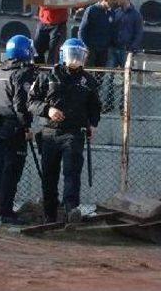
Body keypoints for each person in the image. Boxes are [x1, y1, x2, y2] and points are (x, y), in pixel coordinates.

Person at [28, 38, 102, 224]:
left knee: (72, 172)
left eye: (79, 56)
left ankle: (71, 210)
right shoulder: (47, 76)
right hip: (49, 133)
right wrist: (48, 110)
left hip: (74, 133)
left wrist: (92, 124)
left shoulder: (88, 81)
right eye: (72, 55)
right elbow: (31, 102)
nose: (75, 60)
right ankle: (50, 213)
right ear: (63, 55)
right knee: (49, 175)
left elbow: (95, 106)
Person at [0, 35, 37, 225]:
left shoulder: (2, 70)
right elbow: (21, 104)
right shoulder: (21, 73)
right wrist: (26, 126)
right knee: (12, 169)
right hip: (14, 126)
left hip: (0, 123)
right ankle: (6, 211)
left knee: (2, 168)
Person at [34, 0, 77, 64]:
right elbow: (45, 4)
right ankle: (39, 72)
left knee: (54, 52)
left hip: (58, 25)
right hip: (44, 24)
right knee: (37, 49)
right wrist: (62, 3)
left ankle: (51, 75)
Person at [108, 0, 143, 68]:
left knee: (127, 77)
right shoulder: (115, 12)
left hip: (126, 52)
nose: (117, 0)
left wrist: (131, 49)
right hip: (113, 50)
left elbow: (139, 34)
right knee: (108, 77)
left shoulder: (136, 15)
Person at [78, 0, 115, 67]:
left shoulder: (111, 12)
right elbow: (82, 30)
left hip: (103, 50)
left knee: (100, 73)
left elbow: (111, 30)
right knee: (88, 72)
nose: (112, 3)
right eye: (110, 1)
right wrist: (85, 47)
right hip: (91, 49)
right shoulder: (91, 10)